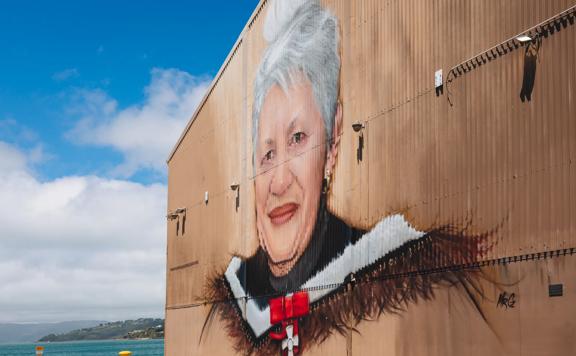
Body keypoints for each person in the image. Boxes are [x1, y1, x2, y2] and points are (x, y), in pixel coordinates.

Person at [202, 1, 489, 354]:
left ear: (333, 141)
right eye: (268, 154)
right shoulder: (233, 296)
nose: (278, 183)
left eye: (298, 140)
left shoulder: (409, 278)